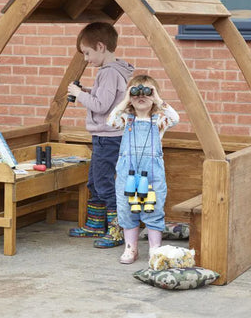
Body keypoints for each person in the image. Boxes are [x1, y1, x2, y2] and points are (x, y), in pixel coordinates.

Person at [67, 22, 134, 248]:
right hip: (106, 137)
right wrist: (86, 91)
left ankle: (117, 230)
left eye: (87, 53)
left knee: (104, 184)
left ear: (100, 46)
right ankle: (96, 224)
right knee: (95, 182)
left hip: (108, 137)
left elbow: (101, 106)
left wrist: (78, 94)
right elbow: (107, 99)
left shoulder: (109, 73)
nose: (86, 59)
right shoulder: (117, 71)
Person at [106, 74, 179, 264]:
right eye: (136, 92)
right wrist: (124, 100)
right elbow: (110, 121)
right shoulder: (125, 119)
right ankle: (131, 248)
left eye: (147, 92)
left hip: (152, 175)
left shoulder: (159, 120)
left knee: (153, 209)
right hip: (127, 174)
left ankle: (155, 250)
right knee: (126, 209)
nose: (141, 96)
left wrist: (158, 99)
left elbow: (175, 118)